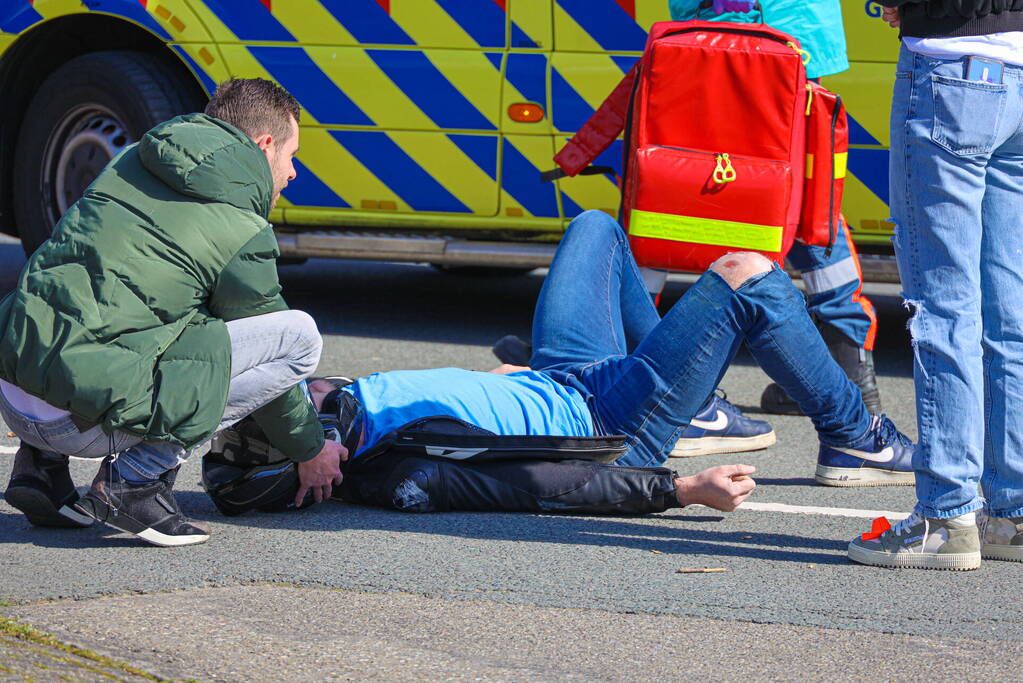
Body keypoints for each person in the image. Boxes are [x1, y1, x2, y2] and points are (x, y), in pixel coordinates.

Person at [311, 210, 913, 520]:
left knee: (595, 228)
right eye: (312, 426)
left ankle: (697, 408)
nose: (316, 402)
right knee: (748, 275)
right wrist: (678, 491)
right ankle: (857, 438)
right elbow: (551, 487)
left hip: (559, 377)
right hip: (609, 427)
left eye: (309, 404)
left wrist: (482, 386)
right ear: (318, 479)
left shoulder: (340, 411)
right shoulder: (397, 477)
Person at [0, 78, 346, 547]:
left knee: (97, 300)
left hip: (14, 389)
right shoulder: (241, 225)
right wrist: (309, 449)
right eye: (292, 156)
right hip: (74, 425)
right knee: (297, 336)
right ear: (265, 145)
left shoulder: (131, 161)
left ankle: (39, 470)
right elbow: (270, 370)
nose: (292, 172)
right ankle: (136, 482)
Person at [847, 2, 1023, 570]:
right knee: (1009, 310)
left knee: (945, 309)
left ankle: (948, 515)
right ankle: (1011, 515)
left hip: (949, 65)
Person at [667, 0, 883, 417]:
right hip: (792, 40)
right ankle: (848, 371)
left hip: (736, 35)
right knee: (808, 200)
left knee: (714, 192)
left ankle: (671, 379)